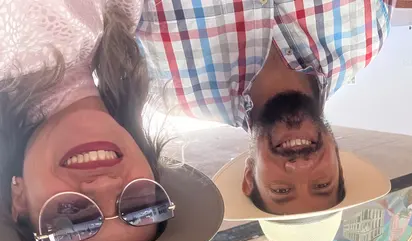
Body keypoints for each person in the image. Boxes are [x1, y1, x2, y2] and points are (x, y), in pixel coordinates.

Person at [0, 1, 223, 241]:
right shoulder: (124, 24)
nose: (103, 184)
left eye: (71, 215)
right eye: (139, 205)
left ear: (19, 199)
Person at [137, 0, 394, 215]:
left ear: (250, 176)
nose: (300, 166)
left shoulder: (167, 87)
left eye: (281, 190)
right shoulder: (367, 39)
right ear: (338, 163)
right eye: (322, 184)